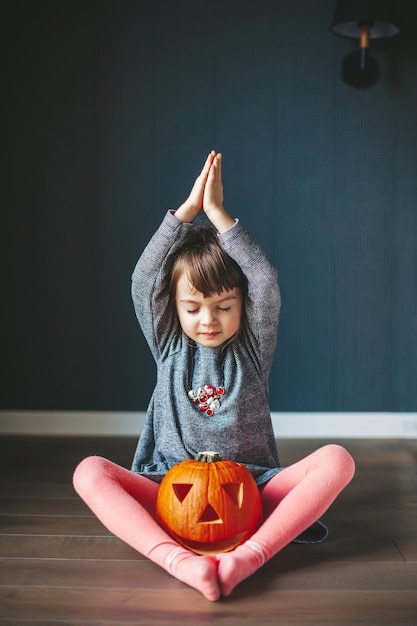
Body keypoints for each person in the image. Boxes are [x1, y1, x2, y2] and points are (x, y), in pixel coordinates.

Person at [73, 151, 355, 602]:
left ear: (242, 308)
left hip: (253, 489)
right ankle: (176, 559)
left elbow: (262, 279)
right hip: (171, 487)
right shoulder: (168, 344)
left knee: (338, 460)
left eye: (224, 307)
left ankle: (251, 555)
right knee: (89, 472)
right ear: (175, 308)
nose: (208, 319)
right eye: (193, 308)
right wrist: (185, 213)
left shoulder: (252, 350)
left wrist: (220, 215)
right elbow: (144, 277)